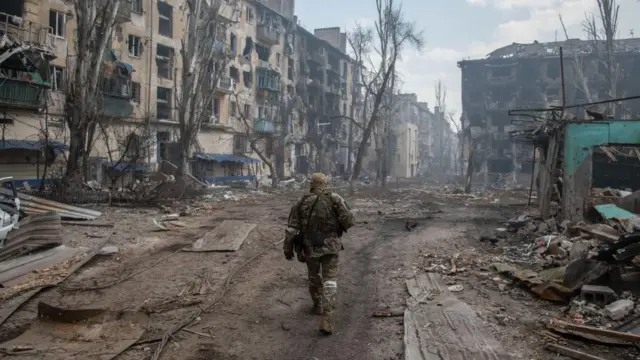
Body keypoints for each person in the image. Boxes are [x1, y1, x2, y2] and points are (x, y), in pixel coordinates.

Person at [283, 172, 354, 335]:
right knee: (330, 280)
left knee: (314, 277)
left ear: (311, 184)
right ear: (326, 184)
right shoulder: (335, 198)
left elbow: (292, 229)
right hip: (331, 247)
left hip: (310, 247)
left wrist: (287, 249)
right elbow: (349, 221)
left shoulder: (301, 201)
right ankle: (327, 317)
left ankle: (317, 305)